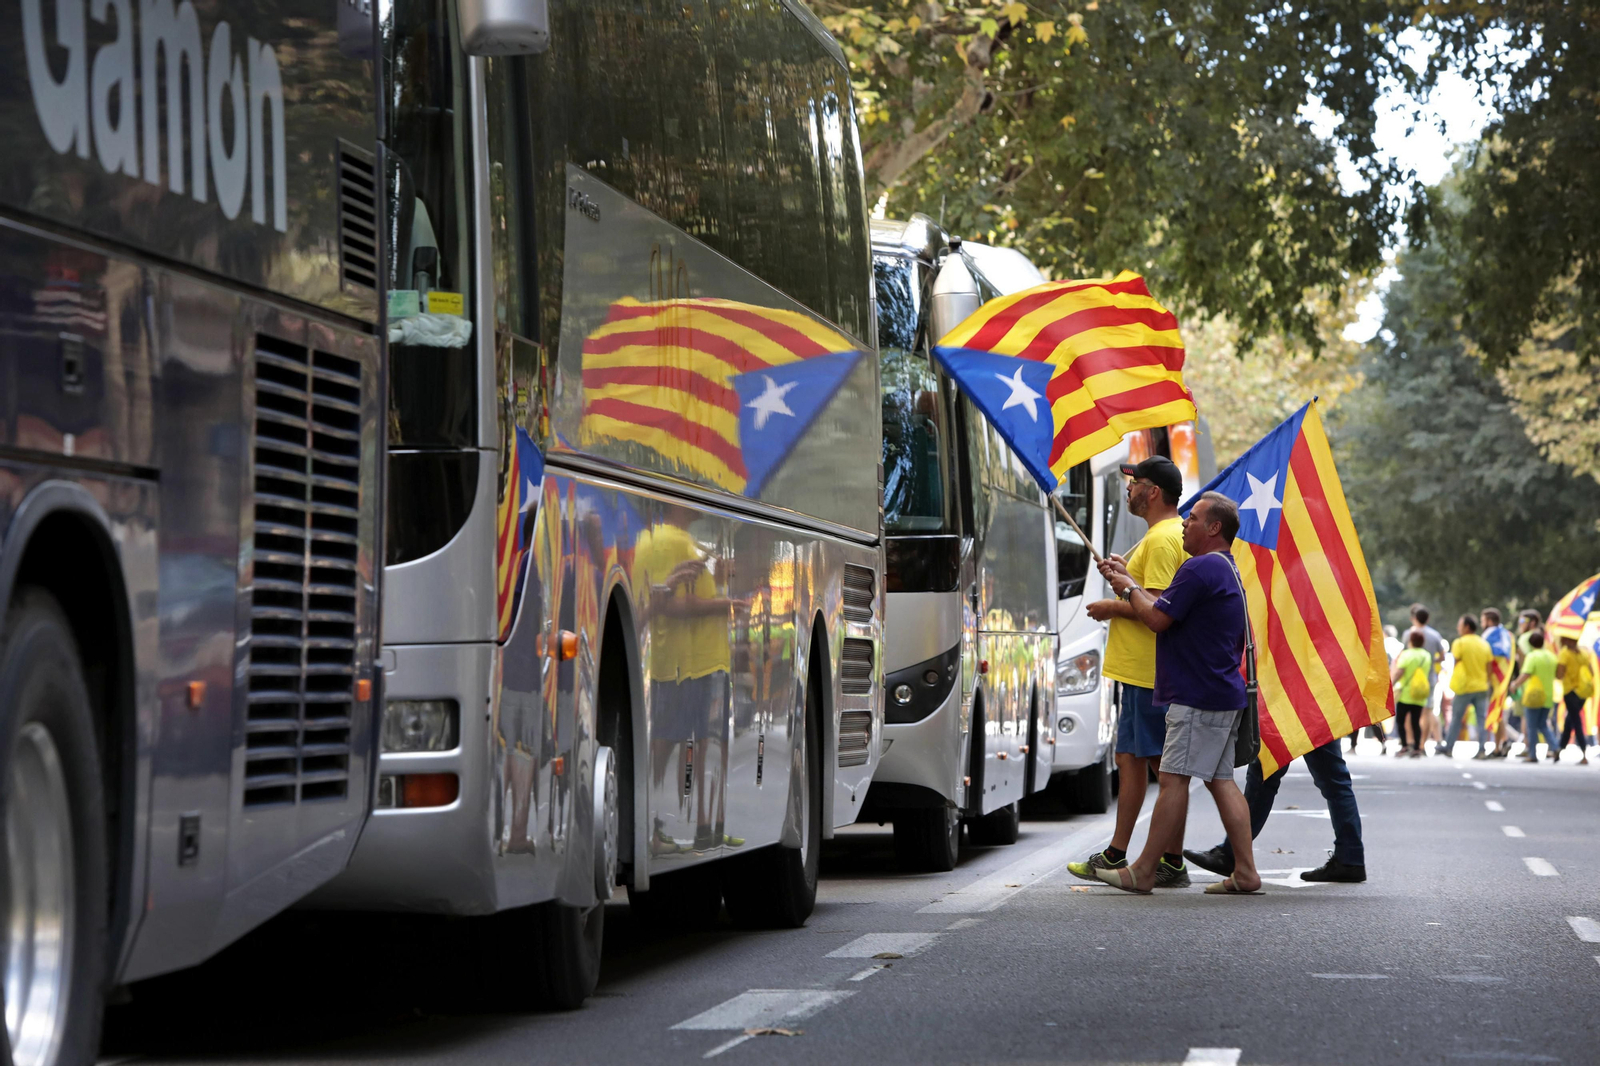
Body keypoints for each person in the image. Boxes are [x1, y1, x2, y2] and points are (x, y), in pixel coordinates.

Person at [1093, 492, 1262, 895]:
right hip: (1221, 691)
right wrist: (1130, 581)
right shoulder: (1223, 568)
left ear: (1214, 528)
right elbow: (1164, 608)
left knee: (1172, 779)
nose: (1185, 522)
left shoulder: (1198, 569)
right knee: (1221, 780)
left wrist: (1127, 588)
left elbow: (1155, 619)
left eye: (1194, 518)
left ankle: (1145, 870)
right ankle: (1246, 871)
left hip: (1197, 693)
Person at [1069, 456, 1190, 888]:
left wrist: (1110, 606)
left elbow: (1155, 605)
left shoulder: (1161, 539)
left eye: (1135, 483)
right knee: (1133, 760)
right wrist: (1123, 575)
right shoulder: (1166, 535)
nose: (1129, 489)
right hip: (1144, 670)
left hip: (1147, 671)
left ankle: (1163, 860)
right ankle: (1125, 852)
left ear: (1153, 492)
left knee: (1161, 766)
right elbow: (1146, 591)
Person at [1184, 736, 1368, 883]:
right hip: (1321, 700)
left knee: (1264, 775)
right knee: (1335, 780)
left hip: (1287, 703)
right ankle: (1350, 858)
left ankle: (1231, 853)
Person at [1439, 614, 1493, 759]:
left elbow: (1455, 663)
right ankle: (1482, 749)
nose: (1458, 628)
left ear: (1467, 627)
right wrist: (1486, 682)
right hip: (1481, 687)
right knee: (1482, 719)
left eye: (1460, 625)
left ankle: (1449, 747)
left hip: (1464, 687)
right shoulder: (1484, 643)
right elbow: (1489, 667)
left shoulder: (1460, 642)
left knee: (1456, 718)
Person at [1509, 631, 1559, 764]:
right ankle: (1555, 747)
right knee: (1543, 724)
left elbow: (1525, 674)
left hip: (1534, 695)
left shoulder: (1532, 656)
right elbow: (1559, 674)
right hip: (1548, 695)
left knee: (1531, 726)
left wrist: (1514, 684)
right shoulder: (1551, 656)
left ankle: (1532, 754)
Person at [1407, 605, 1447, 753]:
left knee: (1411, 713)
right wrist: (1430, 661)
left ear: (1414, 618)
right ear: (1427, 619)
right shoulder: (1435, 635)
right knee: (1428, 711)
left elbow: (1406, 655)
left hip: (1411, 679)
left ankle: (1411, 742)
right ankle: (1422, 744)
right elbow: (1442, 656)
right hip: (1429, 678)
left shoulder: (1409, 634)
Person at [1481, 608, 1517, 758]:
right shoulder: (1507, 635)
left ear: (1489, 621)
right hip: (1504, 678)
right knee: (1498, 710)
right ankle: (1503, 742)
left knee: (1495, 710)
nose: (1481, 623)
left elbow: (1486, 656)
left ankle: (1497, 747)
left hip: (1493, 679)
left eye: (1483, 620)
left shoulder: (1489, 634)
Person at [1391, 630, 1433, 756]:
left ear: (1411, 641)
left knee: (1400, 721)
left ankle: (1404, 745)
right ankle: (1417, 747)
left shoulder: (1407, 654)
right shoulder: (1426, 655)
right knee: (1416, 722)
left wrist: (1392, 683)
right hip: (1420, 694)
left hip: (1406, 694)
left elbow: (1399, 672)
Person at [1556, 636, 1594, 764]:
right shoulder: (1584, 653)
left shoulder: (1565, 654)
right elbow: (1592, 672)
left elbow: (1559, 674)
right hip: (1583, 691)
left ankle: (1583, 752)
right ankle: (1560, 748)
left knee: (1575, 721)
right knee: (1570, 720)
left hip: (1571, 691)